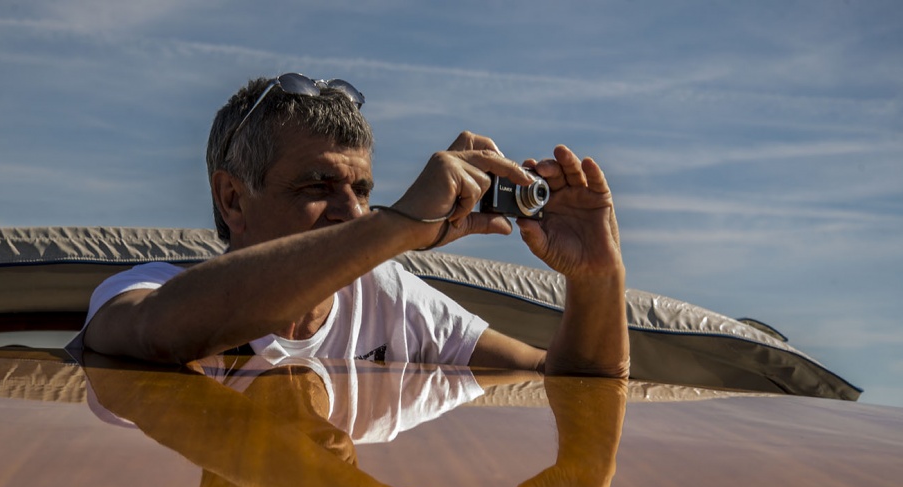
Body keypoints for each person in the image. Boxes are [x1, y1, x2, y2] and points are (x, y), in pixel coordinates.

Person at [76, 73, 629, 378]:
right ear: (233, 199)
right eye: (317, 188)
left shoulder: (388, 302)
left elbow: (569, 378)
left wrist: (597, 277)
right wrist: (401, 226)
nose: (353, 212)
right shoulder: (144, 290)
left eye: (362, 191)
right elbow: (157, 334)